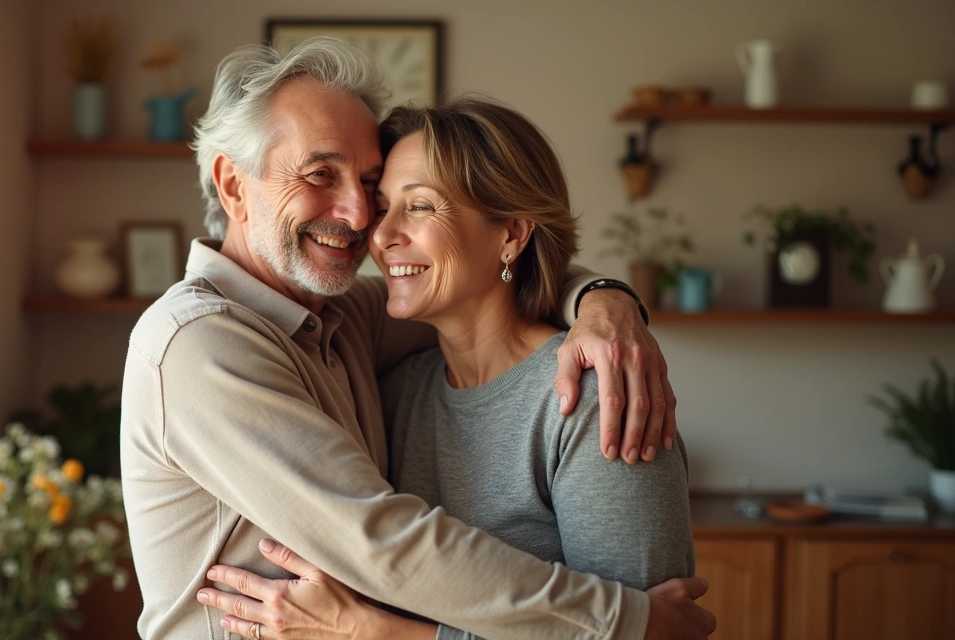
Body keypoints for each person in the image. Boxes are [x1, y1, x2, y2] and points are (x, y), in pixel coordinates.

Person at [120, 37, 712, 639]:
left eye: (373, 186)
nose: (360, 219)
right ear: (234, 185)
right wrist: (626, 626)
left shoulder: (347, 322)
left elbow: (490, 283)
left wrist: (605, 302)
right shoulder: (199, 343)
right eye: (321, 174)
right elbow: (378, 541)